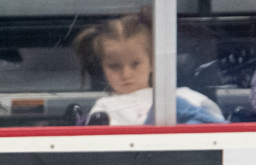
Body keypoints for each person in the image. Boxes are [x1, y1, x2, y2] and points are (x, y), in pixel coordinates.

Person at [72, 9, 223, 127]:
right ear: (102, 67)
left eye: (135, 64)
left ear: (152, 62)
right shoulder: (104, 109)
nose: (126, 74)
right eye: (114, 66)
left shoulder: (182, 97)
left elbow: (219, 130)